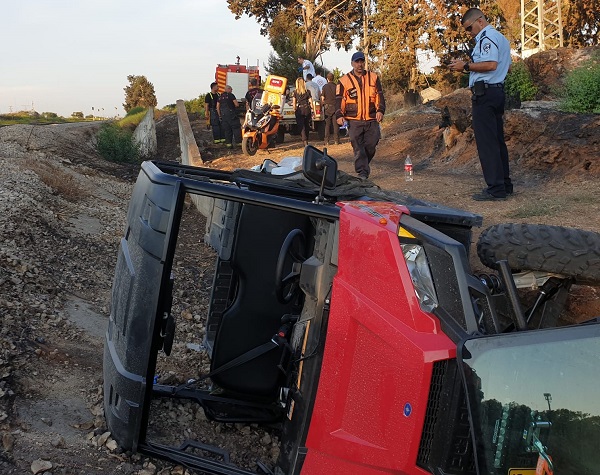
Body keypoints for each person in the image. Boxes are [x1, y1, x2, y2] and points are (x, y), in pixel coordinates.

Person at [448, 8, 513, 201]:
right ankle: (504, 184)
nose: (469, 32)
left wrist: (465, 66)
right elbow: (505, 68)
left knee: (487, 143)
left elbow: (491, 64)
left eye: (469, 28)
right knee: (498, 141)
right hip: (497, 91)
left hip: (485, 95)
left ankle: (495, 189)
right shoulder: (501, 38)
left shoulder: (487, 37)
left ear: (480, 21)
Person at [335, 51, 385, 180]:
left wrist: (380, 110)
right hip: (353, 121)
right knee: (358, 147)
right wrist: (339, 115)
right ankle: (362, 172)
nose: (359, 64)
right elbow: (339, 100)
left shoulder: (374, 77)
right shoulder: (343, 81)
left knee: (371, 145)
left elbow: (379, 95)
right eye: (357, 62)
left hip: (371, 118)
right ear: (352, 63)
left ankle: (363, 164)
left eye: (361, 61)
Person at [292, 77, 313, 147]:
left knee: (301, 126)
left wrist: (294, 109)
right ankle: (307, 138)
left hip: (300, 109)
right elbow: (311, 101)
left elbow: (294, 103)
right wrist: (312, 109)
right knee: (307, 124)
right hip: (307, 109)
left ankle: (304, 140)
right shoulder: (307, 91)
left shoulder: (295, 92)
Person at [321, 72, 340, 145]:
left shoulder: (325, 87)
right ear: (333, 78)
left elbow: (322, 98)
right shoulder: (336, 86)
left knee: (327, 125)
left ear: (327, 79)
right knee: (335, 125)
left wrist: (322, 104)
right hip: (335, 106)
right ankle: (336, 140)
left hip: (328, 107)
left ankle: (326, 141)